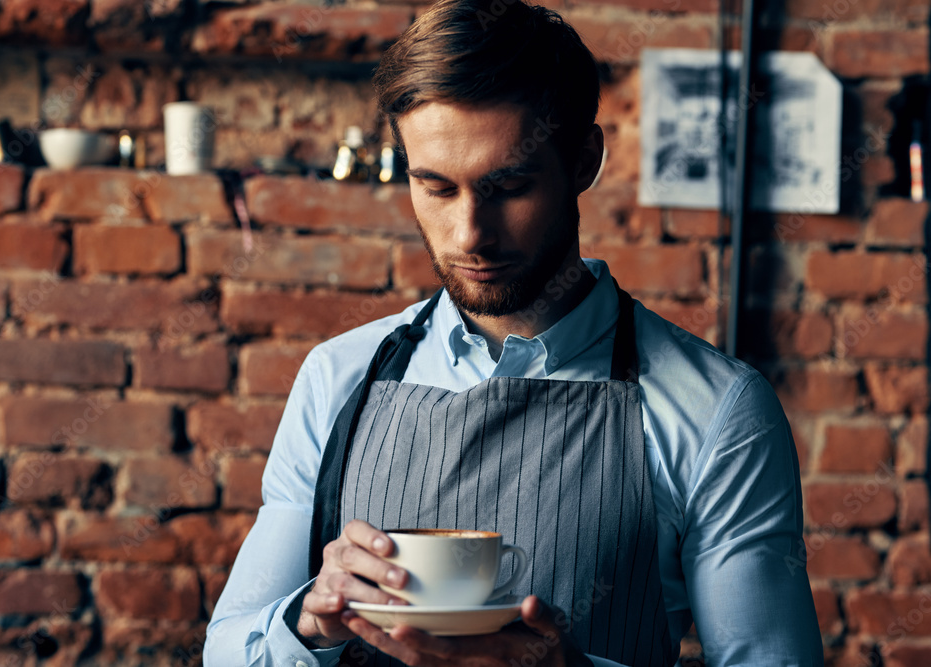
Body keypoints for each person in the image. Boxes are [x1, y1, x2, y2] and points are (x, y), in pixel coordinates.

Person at [205, 1, 824, 666]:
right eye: (436, 188)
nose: (470, 233)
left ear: (583, 161)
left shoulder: (718, 411)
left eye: (508, 187)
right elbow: (227, 651)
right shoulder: (338, 379)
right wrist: (306, 621)